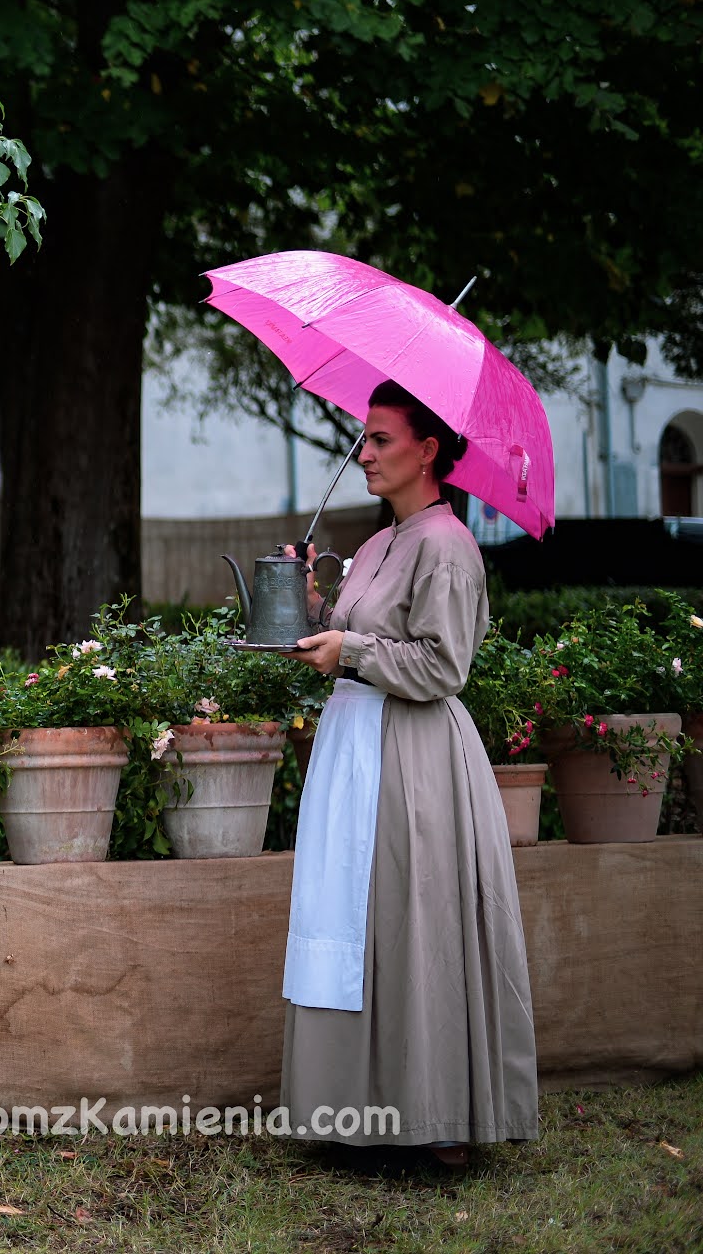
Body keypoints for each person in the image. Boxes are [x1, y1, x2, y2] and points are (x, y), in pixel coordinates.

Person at [281, 382, 540, 1167]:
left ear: (428, 451)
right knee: (358, 923)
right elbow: (357, 636)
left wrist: (350, 651)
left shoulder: (447, 545)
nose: (364, 452)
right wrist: (317, 603)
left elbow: (443, 662)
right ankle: (356, 1108)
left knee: (413, 921)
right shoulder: (379, 542)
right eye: (365, 437)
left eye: (381, 438)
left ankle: (437, 1113)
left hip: (415, 759)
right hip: (359, 751)